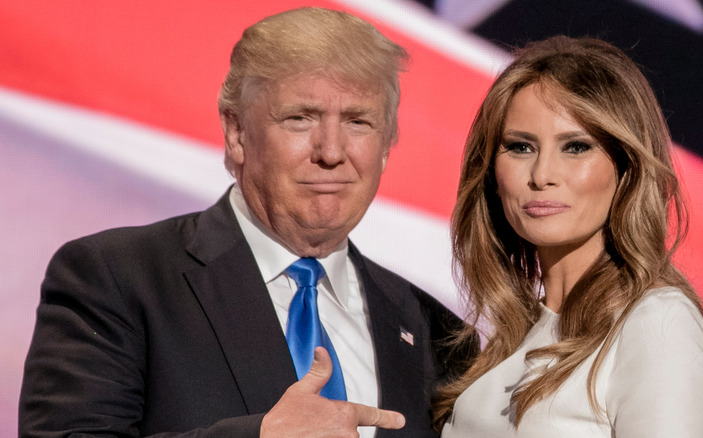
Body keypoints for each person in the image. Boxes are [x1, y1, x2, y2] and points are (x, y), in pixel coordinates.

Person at [19, 7, 473, 438]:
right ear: (237, 133)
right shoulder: (116, 278)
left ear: (388, 145)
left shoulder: (438, 335)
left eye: (358, 122)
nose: (332, 152)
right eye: (300, 118)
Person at [433, 36, 703, 437]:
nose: (542, 175)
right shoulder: (511, 338)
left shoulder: (655, 320)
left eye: (576, 147)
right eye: (521, 147)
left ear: (626, 167)